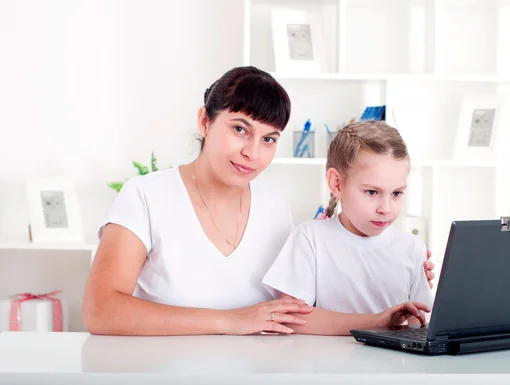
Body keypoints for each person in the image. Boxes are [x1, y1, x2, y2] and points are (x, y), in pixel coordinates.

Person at [82, 66, 435, 336]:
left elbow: (299, 304)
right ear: (205, 121)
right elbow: (101, 310)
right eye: (240, 129)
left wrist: (392, 263)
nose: (252, 152)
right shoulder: (145, 196)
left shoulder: (273, 206)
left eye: (269, 139)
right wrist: (230, 321)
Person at [262, 120, 433, 335]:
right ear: (337, 184)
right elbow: (291, 318)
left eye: (397, 193)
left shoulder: (412, 248)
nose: (386, 208)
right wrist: (376, 321)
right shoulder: (311, 239)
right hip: (325, 366)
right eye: (372, 192)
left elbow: (420, 324)